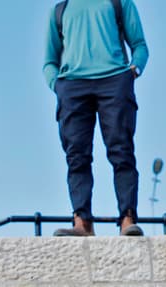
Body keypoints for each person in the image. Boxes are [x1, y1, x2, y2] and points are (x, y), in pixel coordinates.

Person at [43, 0, 149, 237]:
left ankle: (127, 219)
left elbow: (140, 45)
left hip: (115, 81)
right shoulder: (59, 10)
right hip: (72, 87)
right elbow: (49, 61)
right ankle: (82, 222)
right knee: (76, 156)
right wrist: (57, 85)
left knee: (121, 151)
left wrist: (134, 71)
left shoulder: (119, 3)